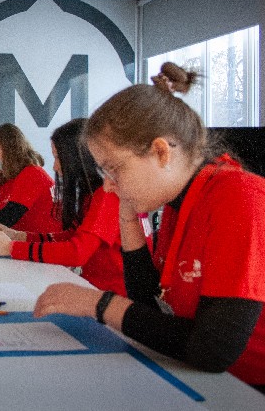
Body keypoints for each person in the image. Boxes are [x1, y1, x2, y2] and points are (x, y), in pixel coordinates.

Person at [33, 69, 265, 389]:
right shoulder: (177, 202)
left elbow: (213, 349)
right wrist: (128, 219)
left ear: (160, 152)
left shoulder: (238, 196)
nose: (108, 186)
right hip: (201, 380)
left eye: (113, 169)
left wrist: (97, 304)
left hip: (244, 387)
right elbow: (150, 305)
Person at [0, 119, 126, 295]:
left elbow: (77, 252)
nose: (55, 166)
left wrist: (12, 247)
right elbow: (70, 235)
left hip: (110, 293)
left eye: (58, 158)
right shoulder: (91, 194)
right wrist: (18, 236)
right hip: (93, 286)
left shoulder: (107, 195)